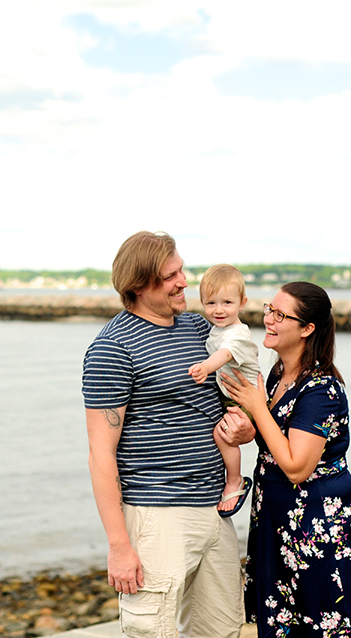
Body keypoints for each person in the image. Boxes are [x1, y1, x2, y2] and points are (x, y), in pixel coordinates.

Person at [82, 231, 255, 638]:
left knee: (223, 630)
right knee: (154, 632)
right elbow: (100, 454)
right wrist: (119, 546)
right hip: (157, 519)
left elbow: (232, 389)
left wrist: (244, 427)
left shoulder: (199, 329)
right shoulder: (113, 347)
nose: (184, 282)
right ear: (139, 286)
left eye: (181, 270)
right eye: (170, 276)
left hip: (216, 512)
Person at [222, 282, 351, 638]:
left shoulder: (320, 388)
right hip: (277, 523)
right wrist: (248, 430)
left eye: (281, 315)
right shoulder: (277, 375)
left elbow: (297, 466)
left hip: (320, 529)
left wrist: (257, 407)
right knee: (281, 626)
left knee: (324, 625)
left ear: (307, 329)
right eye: (268, 310)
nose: (269, 320)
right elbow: (276, 441)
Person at [188, 264, 259, 517]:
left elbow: (225, 353)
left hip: (244, 398)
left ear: (242, 303)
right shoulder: (217, 330)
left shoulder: (238, 334)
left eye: (227, 302)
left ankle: (235, 480)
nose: (218, 310)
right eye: (211, 303)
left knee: (222, 435)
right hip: (227, 393)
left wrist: (205, 367)